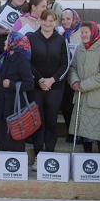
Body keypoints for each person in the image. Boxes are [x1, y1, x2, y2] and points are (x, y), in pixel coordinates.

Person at [27, 10, 69, 171]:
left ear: (56, 22)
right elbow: (27, 62)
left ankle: (49, 155)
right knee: (38, 122)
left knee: (51, 122)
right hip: (36, 87)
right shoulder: (31, 38)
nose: (48, 23)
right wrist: (39, 79)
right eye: (45, 20)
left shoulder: (61, 40)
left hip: (55, 88)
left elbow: (65, 64)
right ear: (40, 21)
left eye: (51, 21)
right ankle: (38, 156)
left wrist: (52, 80)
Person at [0, 31, 34, 170]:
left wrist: (11, 84)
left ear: (14, 43)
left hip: (15, 103)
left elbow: (29, 83)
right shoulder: (4, 57)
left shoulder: (22, 60)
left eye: (7, 39)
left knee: (15, 132)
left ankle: (15, 161)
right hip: (2, 101)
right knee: (1, 132)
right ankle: (1, 159)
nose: (5, 42)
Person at [69, 21, 100, 156]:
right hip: (82, 99)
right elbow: (73, 68)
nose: (83, 35)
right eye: (81, 32)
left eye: (86, 32)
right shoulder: (80, 48)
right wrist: (75, 81)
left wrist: (85, 85)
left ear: (93, 32)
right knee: (83, 133)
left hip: (96, 99)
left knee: (98, 134)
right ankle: (85, 163)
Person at [60, 8, 82, 142]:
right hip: (65, 75)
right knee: (67, 105)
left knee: (78, 105)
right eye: (63, 19)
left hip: (79, 74)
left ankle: (79, 132)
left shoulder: (82, 33)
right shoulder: (62, 35)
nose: (66, 21)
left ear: (75, 19)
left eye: (68, 19)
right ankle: (70, 131)